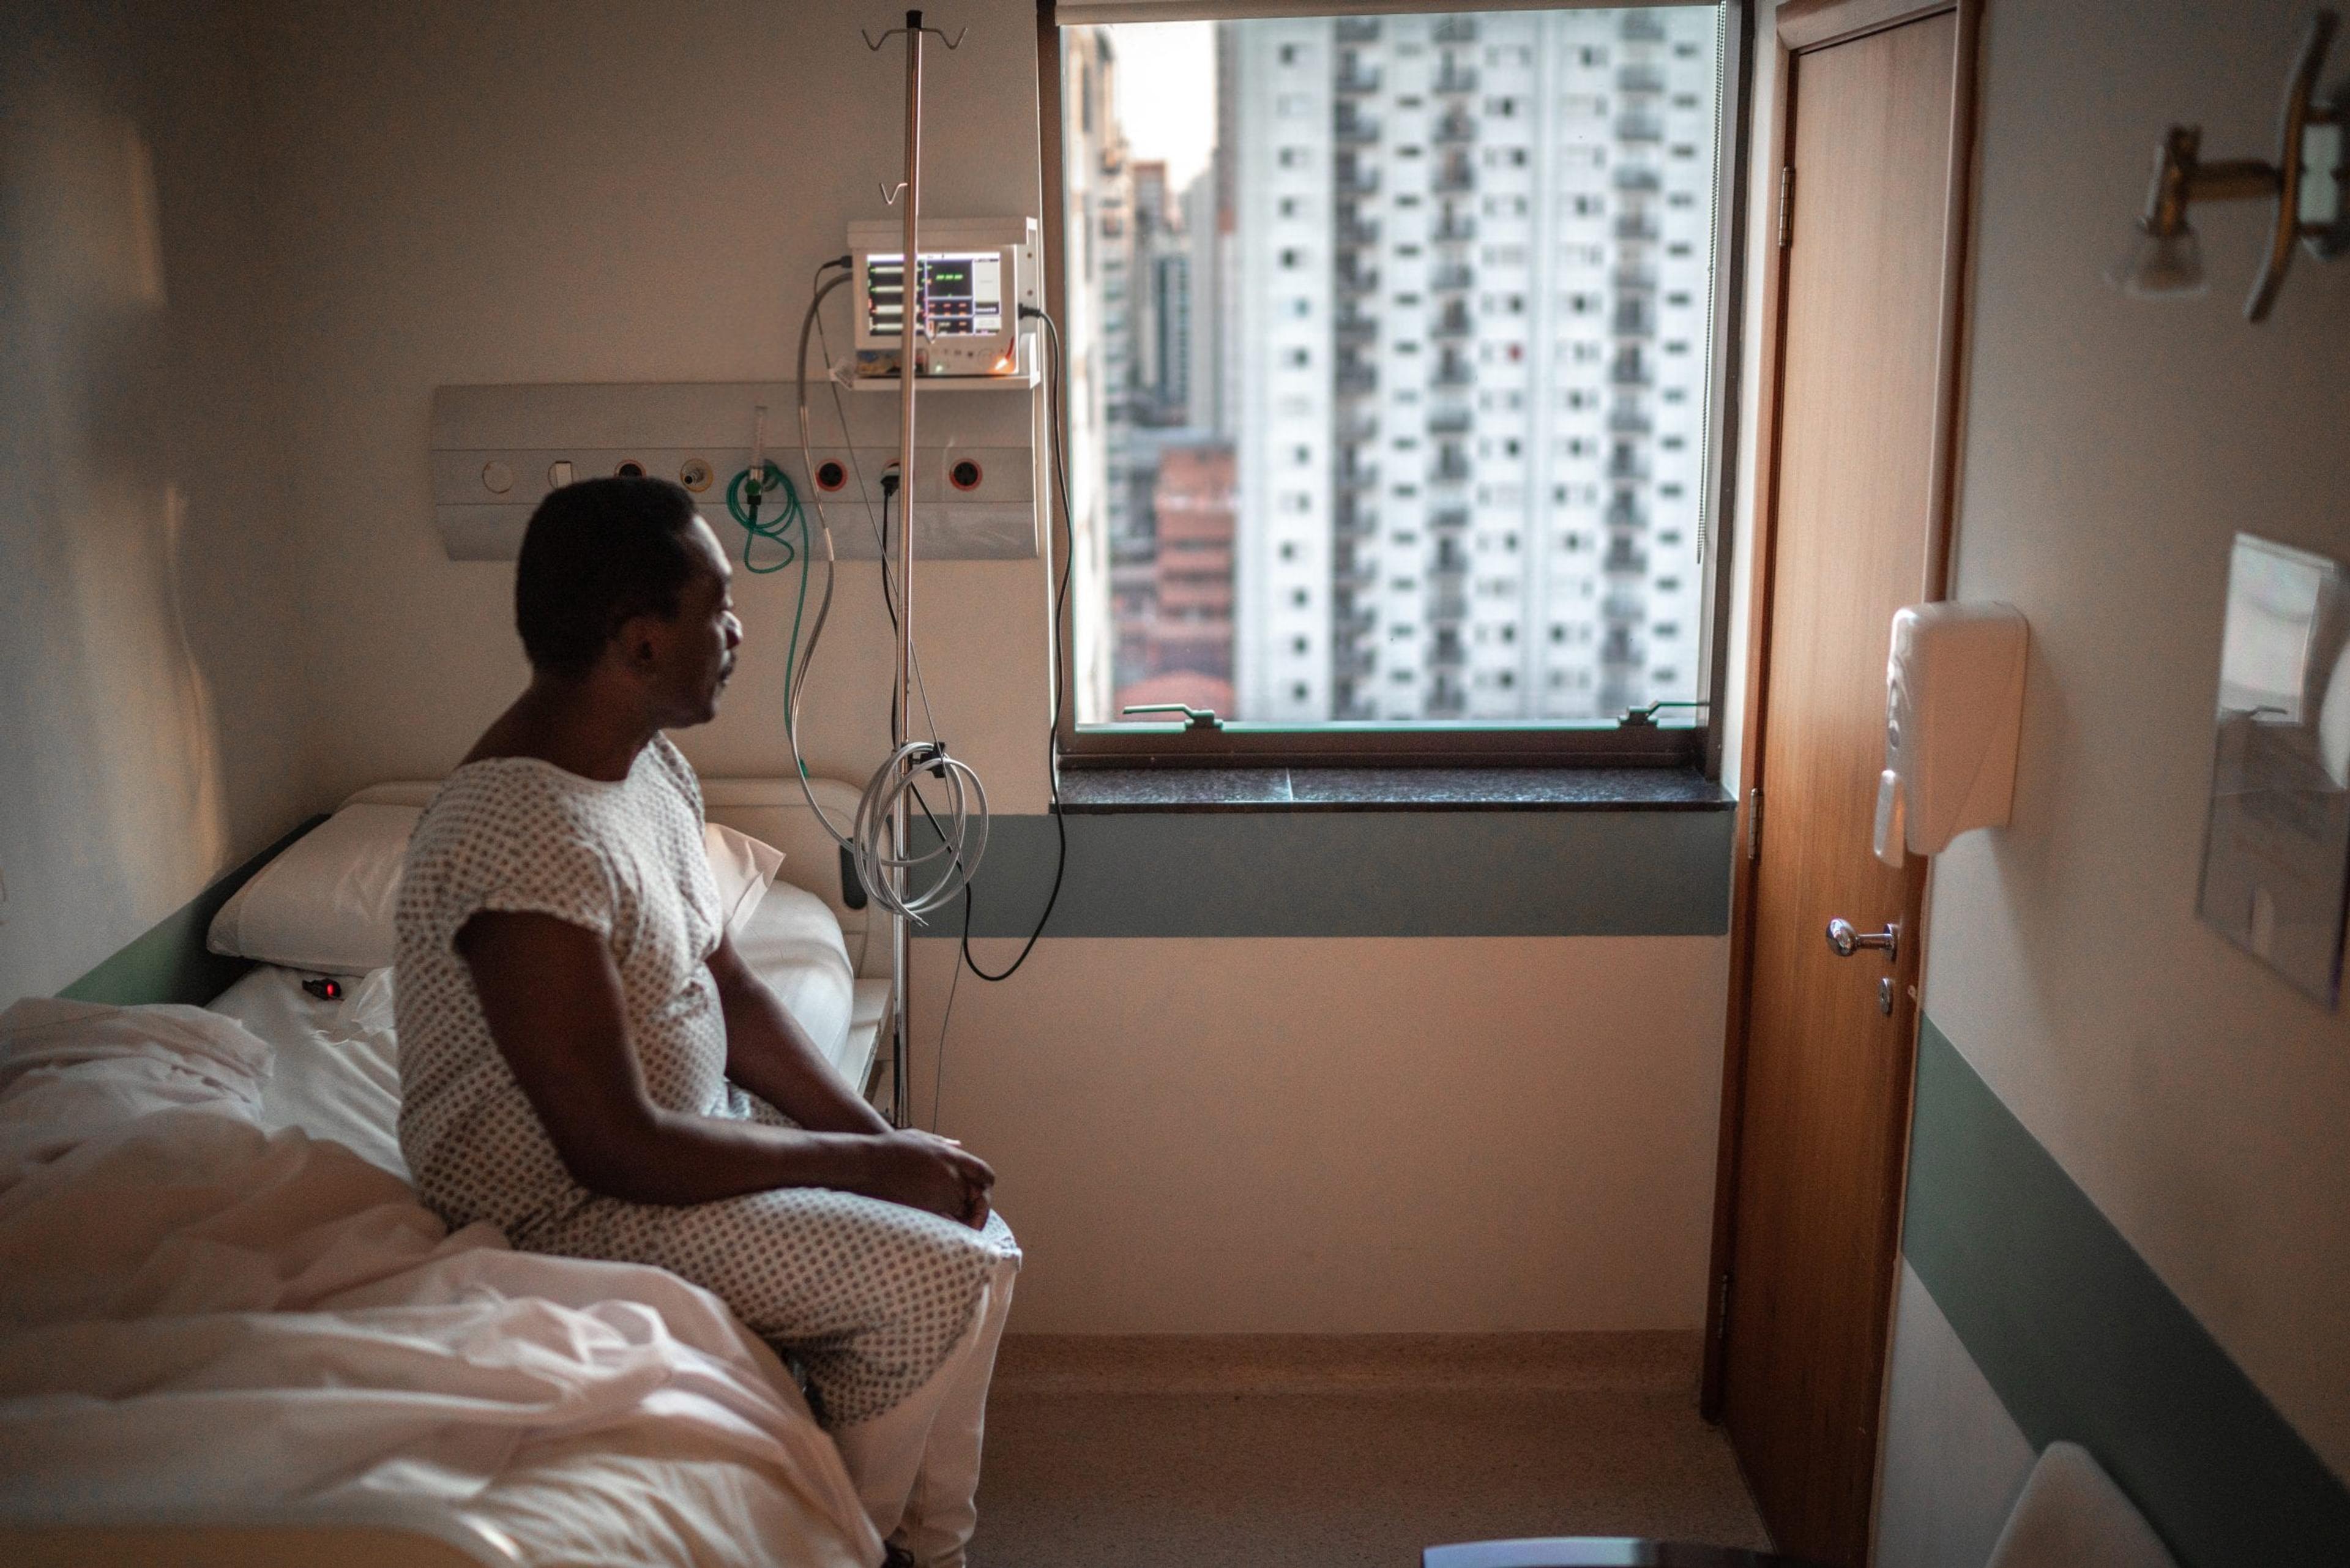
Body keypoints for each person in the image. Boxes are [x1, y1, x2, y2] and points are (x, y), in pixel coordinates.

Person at [394, 476, 1018, 1568]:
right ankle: (853, 1541)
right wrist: (873, 1177)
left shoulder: (648, 770)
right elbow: (614, 1148)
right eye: (716, 608)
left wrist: (887, 1145)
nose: (737, 631)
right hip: (567, 1207)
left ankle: (935, 1541)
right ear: (639, 644)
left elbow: (731, 988)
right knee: (938, 1273)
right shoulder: (517, 836)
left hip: (676, 1147)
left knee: (982, 1233)